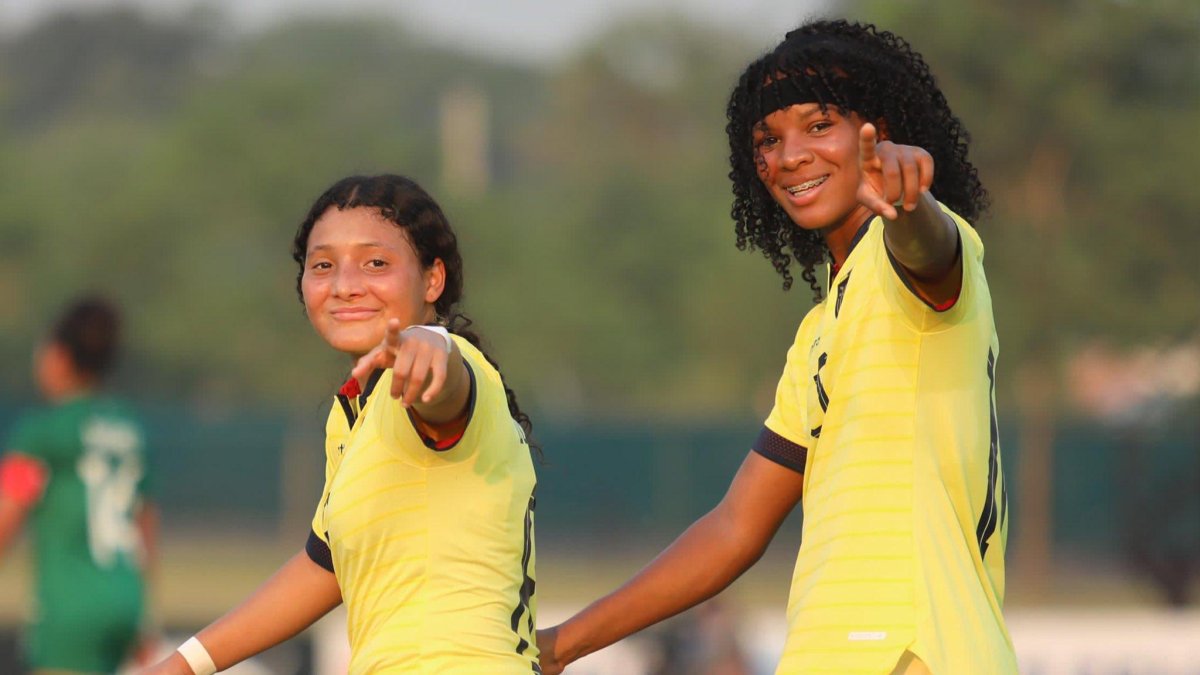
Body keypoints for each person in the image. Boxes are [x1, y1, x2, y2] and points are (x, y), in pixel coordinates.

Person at [538, 19, 1016, 675]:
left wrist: (911, 206)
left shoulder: (910, 258)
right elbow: (735, 526)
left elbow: (929, 252)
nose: (789, 155)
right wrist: (560, 644)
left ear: (876, 129)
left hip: (909, 650)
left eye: (819, 126)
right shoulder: (821, 331)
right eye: (768, 139)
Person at [146, 174, 540, 674]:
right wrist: (182, 665)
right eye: (323, 265)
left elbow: (446, 390)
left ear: (433, 279)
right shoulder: (354, 412)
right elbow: (323, 566)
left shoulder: (442, 366)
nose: (346, 285)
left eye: (376, 263)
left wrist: (430, 347)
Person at [0, 297, 159, 673]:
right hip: (126, 598)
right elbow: (146, 524)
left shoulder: (42, 433)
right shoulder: (129, 428)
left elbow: (6, 516)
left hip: (70, 609)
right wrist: (145, 614)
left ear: (58, 357)